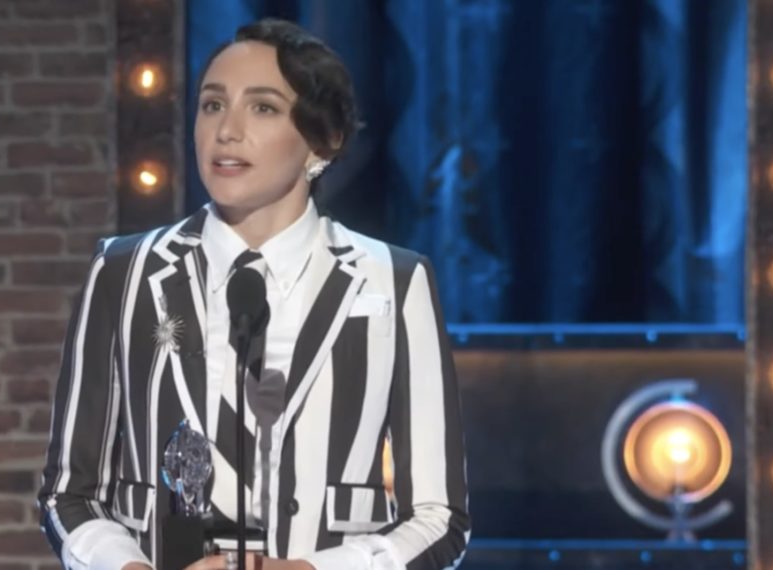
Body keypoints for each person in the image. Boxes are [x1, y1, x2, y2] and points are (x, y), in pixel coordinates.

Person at [37, 18, 470, 570]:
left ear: (324, 140)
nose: (226, 131)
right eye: (212, 105)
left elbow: (439, 517)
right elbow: (68, 495)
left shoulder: (392, 281)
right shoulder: (124, 272)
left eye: (262, 108)